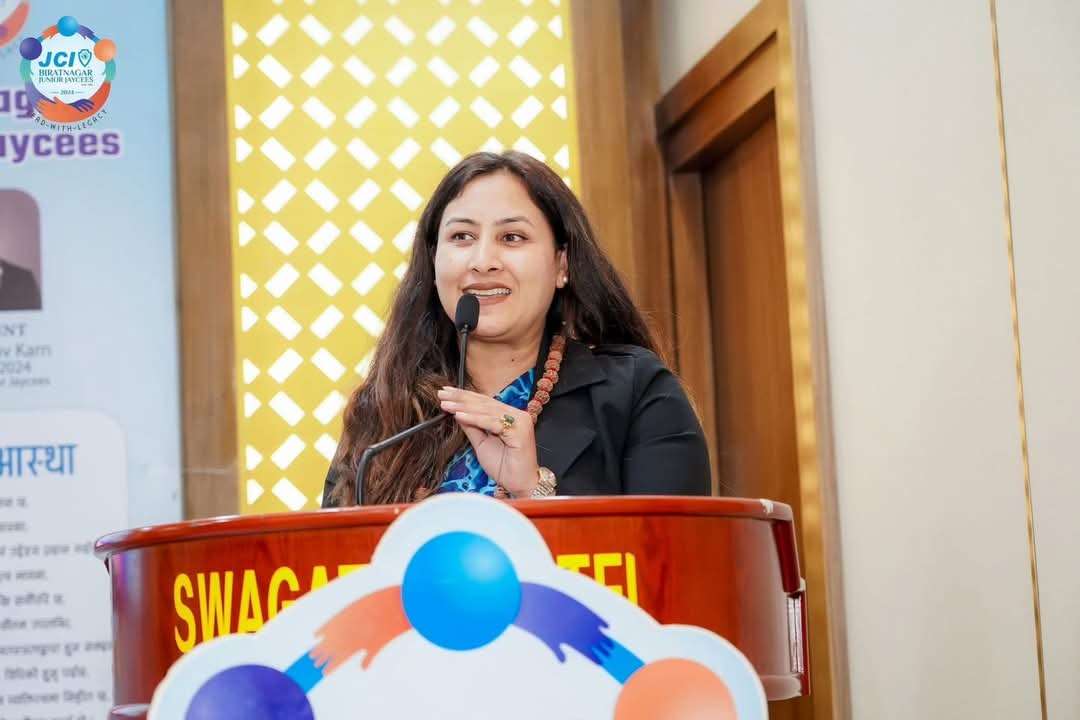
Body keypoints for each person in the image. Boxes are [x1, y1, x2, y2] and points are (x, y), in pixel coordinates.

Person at [322, 151, 709, 507]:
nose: (483, 261)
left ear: (562, 265)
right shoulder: (383, 412)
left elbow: (670, 554)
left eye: (512, 237)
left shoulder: (638, 392)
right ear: (434, 262)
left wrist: (531, 490)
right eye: (462, 237)